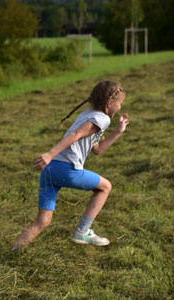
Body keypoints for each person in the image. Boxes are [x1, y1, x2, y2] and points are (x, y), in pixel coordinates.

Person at [13, 80, 129, 250]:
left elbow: (97, 149)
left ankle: (15, 250)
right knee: (105, 187)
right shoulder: (102, 118)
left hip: (50, 170)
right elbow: (76, 134)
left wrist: (118, 132)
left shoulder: (88, 114)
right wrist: (50, 153)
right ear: (110, 103)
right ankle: (83, 231)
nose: (119, 108)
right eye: (119, 104)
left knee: (43, 221)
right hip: (66, 170)